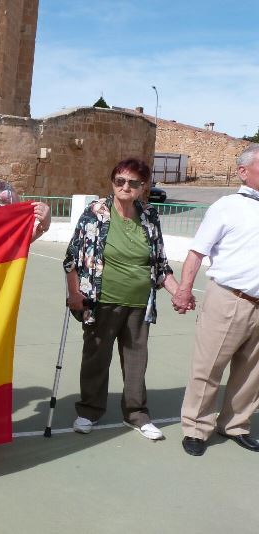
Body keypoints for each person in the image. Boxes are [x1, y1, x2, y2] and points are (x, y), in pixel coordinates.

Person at [63, 158, 181, 440]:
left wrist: (180, 293)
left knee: (136, 362)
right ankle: (89, 411)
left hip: (140, 303)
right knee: (96, 358)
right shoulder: (95, 213)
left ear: (143, 187)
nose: (125, 187)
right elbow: (71, 259)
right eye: (120, 181)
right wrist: (75, 294)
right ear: (112, 182)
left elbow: (160, 264)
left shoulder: (150, 216)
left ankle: (137, 414)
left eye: (133, 183)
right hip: (100, 299)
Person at [172, 144, 259, 457]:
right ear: (243, 172)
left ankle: (236, 425)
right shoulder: (227, 206)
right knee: (208, 367)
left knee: (252, 374)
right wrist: (184, 288)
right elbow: (197, 251)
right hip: (229, 299)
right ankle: (196, 428)